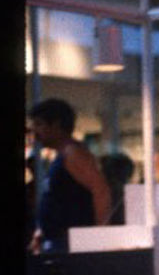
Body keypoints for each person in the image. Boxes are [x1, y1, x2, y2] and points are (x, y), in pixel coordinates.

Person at [28, 98, 112, 254]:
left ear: (56, 125)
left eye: (39, 124)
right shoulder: (61, 156)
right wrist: (42, 231)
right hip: (57, 242)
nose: (34, 131)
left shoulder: (73, 154)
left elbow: (101, 191)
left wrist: (99, 237)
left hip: (70, 245)